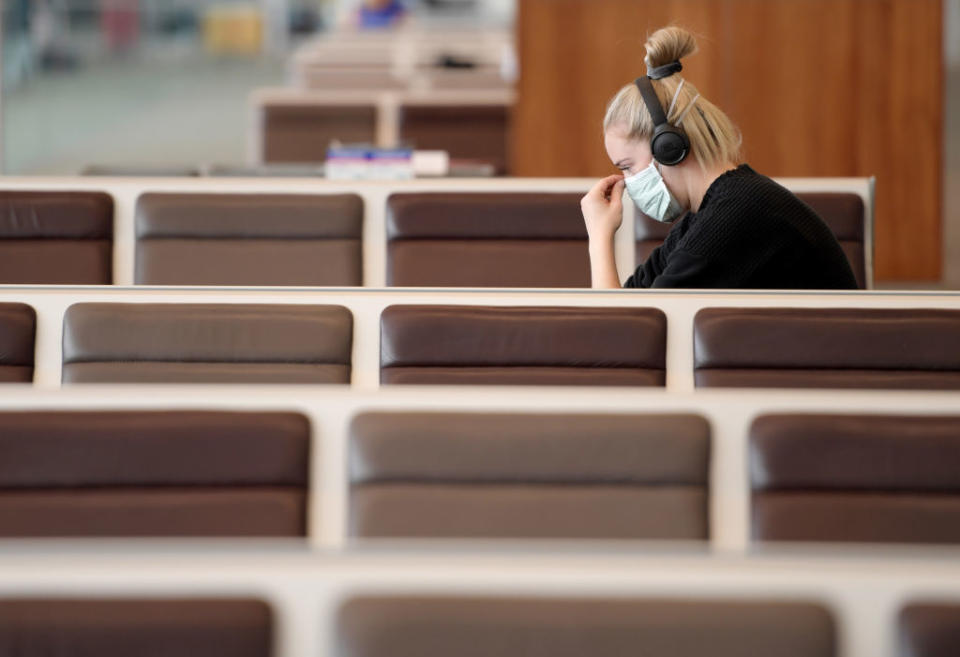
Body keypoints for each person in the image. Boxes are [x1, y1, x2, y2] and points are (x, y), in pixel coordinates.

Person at [581, 26, 858, 289]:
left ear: (668, 147)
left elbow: (627, 333)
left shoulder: (737, 215)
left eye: (628, 167)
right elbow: (629, 313)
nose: (627, 183)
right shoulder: (709, 215)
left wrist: (599, 238)